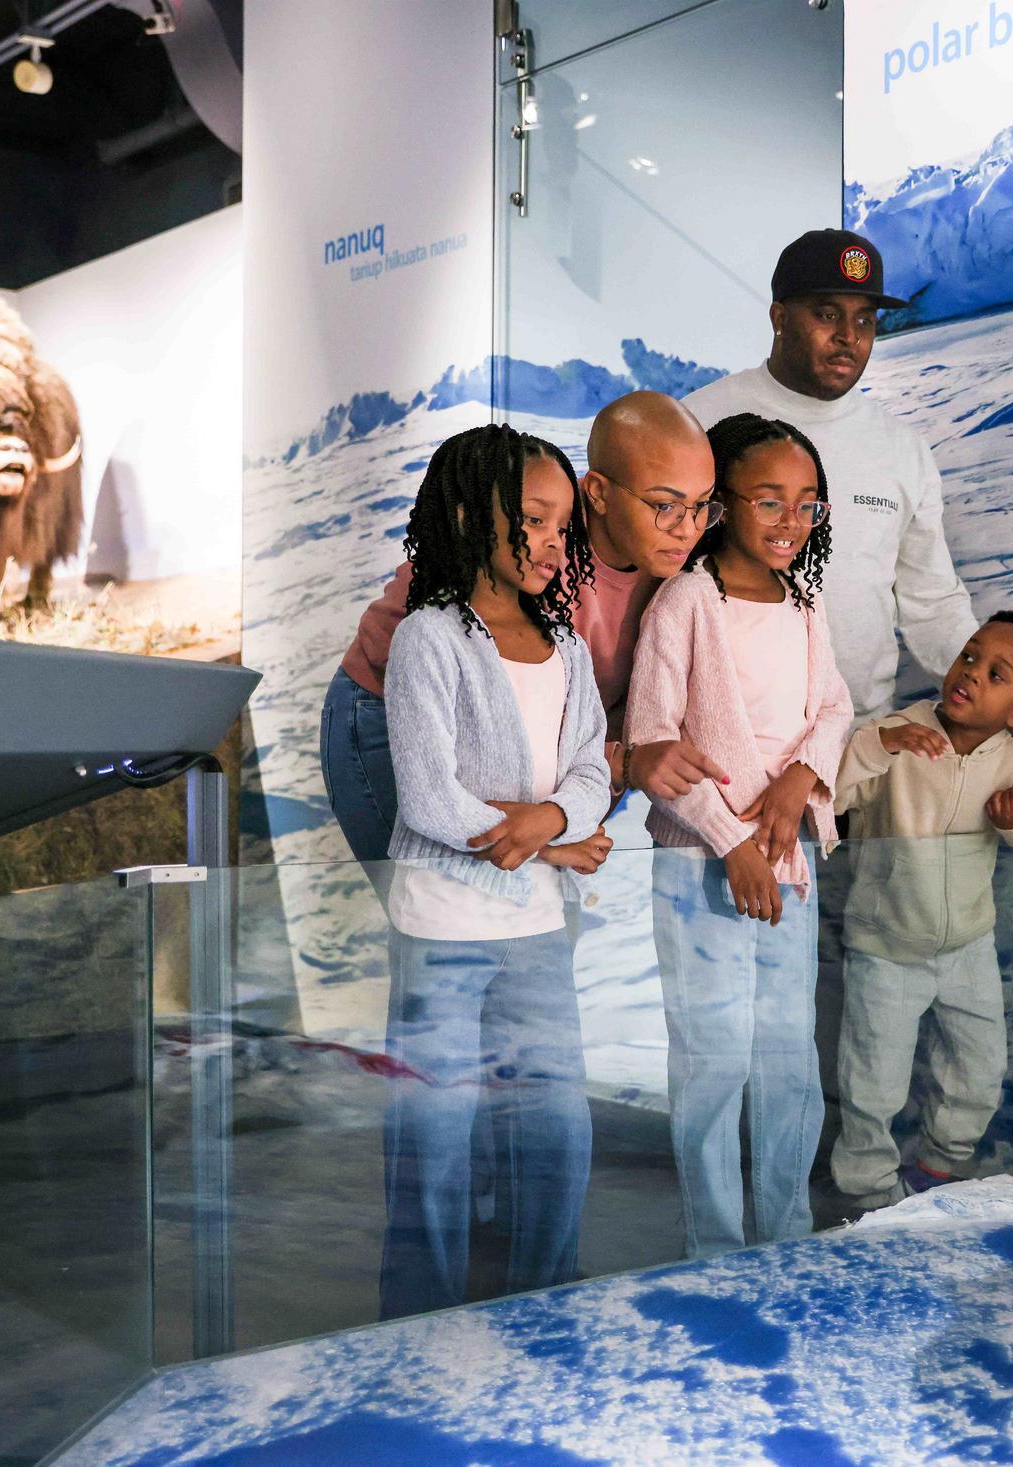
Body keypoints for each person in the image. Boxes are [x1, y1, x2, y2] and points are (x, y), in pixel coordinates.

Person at [682, 228, 1013, 795]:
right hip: (721, 760)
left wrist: (1001, 714)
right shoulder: (700, 422)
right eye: (827, 314)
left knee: (864, 889)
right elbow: (653, 578)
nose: (848, 338)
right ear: (779, 317)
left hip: (862, 752)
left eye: (864, 320)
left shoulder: (901, 450)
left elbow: (931, 601)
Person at [376, 423, 614, 1318]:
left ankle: (546, 1293)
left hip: (539, 930)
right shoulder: (427, 639)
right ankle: (419, 1314)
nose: (558, 541)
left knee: (557, 1123)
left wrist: (553, 818)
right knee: (431, 1132)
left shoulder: (570, 648)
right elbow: (430, 801)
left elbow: (593, 769)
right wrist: (555, 840)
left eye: (565, 526)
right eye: (539, 520)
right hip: (444, 928)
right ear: (476, 515)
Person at [321, 391, 727, 865]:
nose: (687, 528)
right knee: (438, 899)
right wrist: (551, 843)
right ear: (596, 493)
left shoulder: (681, 565)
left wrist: (571, 807)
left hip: (544, 751)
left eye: (702, 506)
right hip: (393, 708)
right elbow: (448, 797)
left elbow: (595, 711)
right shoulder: (526, 540)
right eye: (665, 505)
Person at [626, 413, 854, 1258]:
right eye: (769, 501)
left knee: (790, 1061)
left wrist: (801, 782)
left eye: (807, 504)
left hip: (788, 861)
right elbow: (654, 740)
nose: (790, 521)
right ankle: (716, 1250)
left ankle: (788, 1237)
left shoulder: (805, 602)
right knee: (715, 1063)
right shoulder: (686, 601)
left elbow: (834, 706)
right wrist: (733, 841)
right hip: (702, 863)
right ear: (720, 502)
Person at [829, 611, 1013, 1210]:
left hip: (968, 945)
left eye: (995, 673)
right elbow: (830, 793)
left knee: (979, 1068)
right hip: (884, 945)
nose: (970, 674)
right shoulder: (897, 734)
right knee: (871, 1084)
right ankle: (867, 1196)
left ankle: (940, 1168)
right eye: (969, 656)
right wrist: (880, 744)